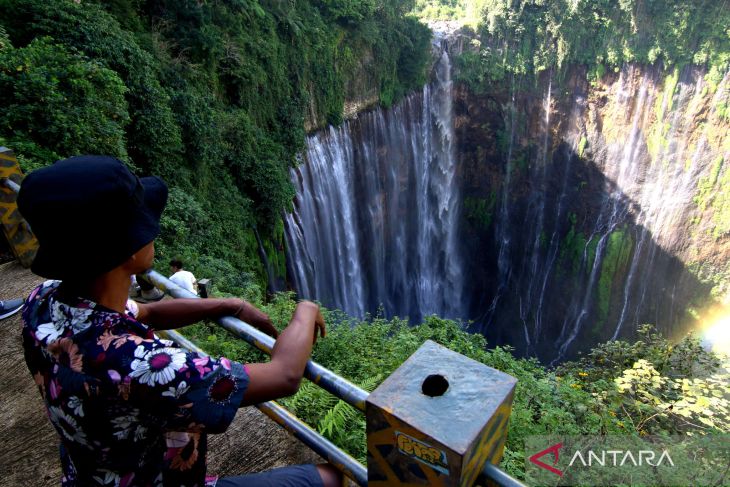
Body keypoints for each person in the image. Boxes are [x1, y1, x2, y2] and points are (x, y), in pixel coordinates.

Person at [17, 156, 339, 487]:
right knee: (333, 478)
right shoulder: (140, 366)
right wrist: (305, 308)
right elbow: (284, 376)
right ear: (129, 248)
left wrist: (229, 305)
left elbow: (148, 312)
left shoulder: (43, 302)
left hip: (93, 476)